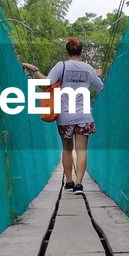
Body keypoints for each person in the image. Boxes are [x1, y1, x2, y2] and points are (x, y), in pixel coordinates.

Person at [25, 38, 103, 195]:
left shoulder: (62, 66)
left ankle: (68, 181)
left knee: (67, 149)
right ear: (81, 51)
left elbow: (47, 82)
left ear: (67, 51)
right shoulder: (88, 68)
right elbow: (99, 87)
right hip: (84, 116)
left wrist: (34, 69)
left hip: (65, 116)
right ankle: (79, 184)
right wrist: (96, 74)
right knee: (81, 150)